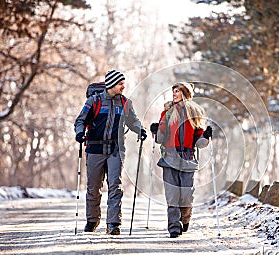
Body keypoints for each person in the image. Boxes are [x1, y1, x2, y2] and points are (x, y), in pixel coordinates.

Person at [74, 70, 147, 235]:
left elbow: (133, 121)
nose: (123, 86)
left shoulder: (125, 103)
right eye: (121, 83)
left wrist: (140, 130)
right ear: (112, 84)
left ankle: (114, 224)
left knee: (115, 186)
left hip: (116, 149)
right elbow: (80, 120)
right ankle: (92, 220)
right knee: (93, 187)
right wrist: (79, 133)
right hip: (95, 149)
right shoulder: (94, 101)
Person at [150, 82, 212, 238]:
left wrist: (205, 136)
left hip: (187, 159)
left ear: (185, 93)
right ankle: (174, 227)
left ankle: (185, 219)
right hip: (169, 158)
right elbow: (160, 139)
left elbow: (200, 143)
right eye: (173, 91)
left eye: (177, 91)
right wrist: (156, 131)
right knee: (172, 195)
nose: (174, 94)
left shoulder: (195, 114)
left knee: (186, 196)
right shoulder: (168, 113)